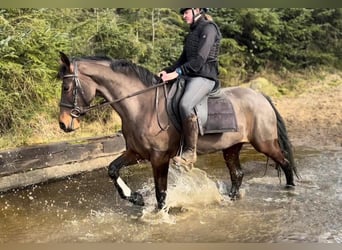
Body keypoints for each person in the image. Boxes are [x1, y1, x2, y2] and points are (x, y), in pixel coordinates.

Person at [159, 8, 222, 168]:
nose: (183, 16)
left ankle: (190, 152)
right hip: (190, 75)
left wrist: (178, 72)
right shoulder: (192, 33)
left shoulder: (209, 28)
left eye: (186, 12)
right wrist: (168, 71)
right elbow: (182, 60)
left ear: (197, 10)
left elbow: (200, 60)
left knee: (185, 104)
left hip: (205, 76)